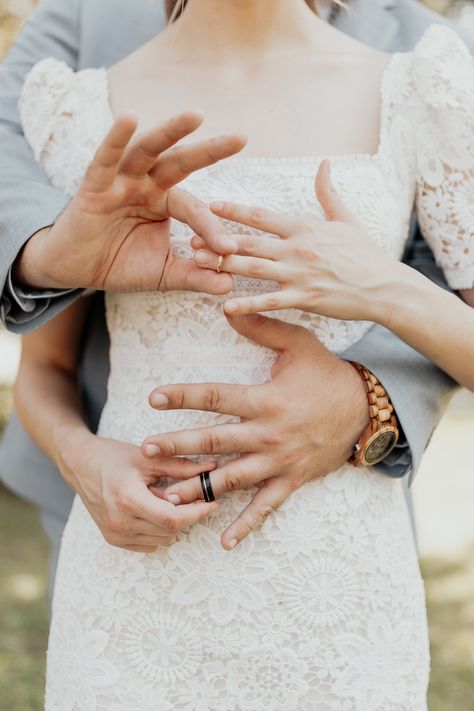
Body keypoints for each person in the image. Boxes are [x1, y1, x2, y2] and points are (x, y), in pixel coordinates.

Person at [10, 0, 474, 707]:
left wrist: (384, 288)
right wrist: (82, 454)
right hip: (130, 607)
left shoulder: (420, 85)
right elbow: (42, 370)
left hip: (335, 603)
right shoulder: (80, 107)